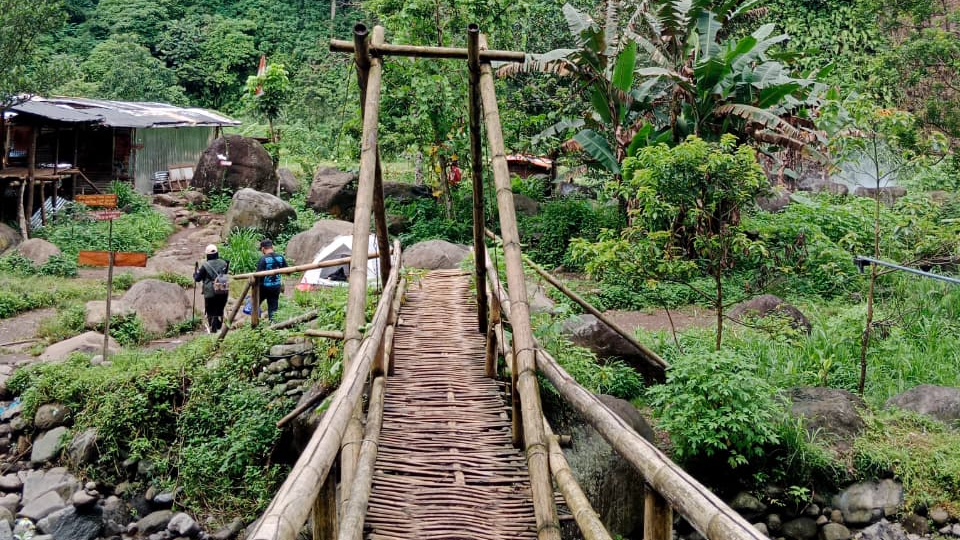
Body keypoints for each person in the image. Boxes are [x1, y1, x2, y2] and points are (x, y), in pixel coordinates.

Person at [193, 244, 229, 333]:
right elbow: (224, 273)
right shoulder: (224, 263)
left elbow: (198, 279)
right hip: (222, 290)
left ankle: (213, 328)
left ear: (207, 255)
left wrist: (195, 274)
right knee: (220, 308)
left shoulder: (205, 265)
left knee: (210, 310)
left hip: (210, 292)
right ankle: (219, 326)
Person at [256, 239, 287, 321]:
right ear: (272, 247)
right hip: (276, 286)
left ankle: (256, 323)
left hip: (263, 287)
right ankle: (273, 324)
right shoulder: (280, 257)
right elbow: (287, 271)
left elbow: (258, 276)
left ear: (263, 248)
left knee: (255, 304)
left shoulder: (263, 259)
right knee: (273, 307)